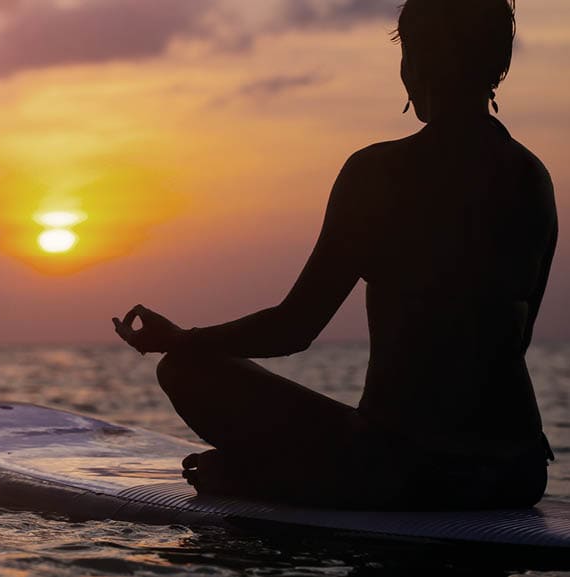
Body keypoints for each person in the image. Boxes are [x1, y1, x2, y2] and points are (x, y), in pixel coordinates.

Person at [113, 0, 557, 510]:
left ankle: (265, 477)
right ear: (499, 65)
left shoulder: (380, 174)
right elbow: (516, 338)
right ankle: (274, 474)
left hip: (404, 468)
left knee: (184, 369)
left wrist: (181, 339)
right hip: (518, 472)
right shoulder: (533, 178)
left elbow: (293, 328)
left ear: (413, 64)